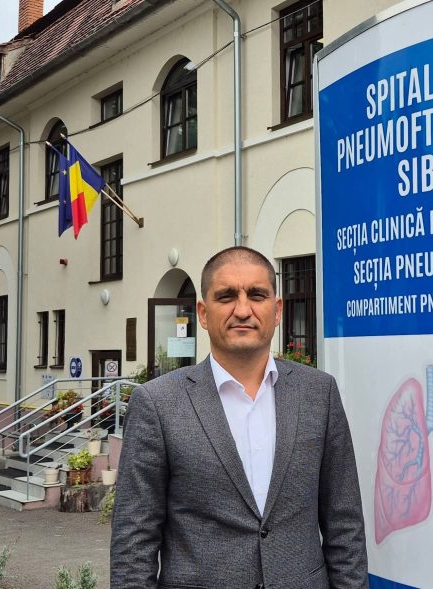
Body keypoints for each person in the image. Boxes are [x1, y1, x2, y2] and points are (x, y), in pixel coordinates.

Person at [110, 246, 368, 589]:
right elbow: (133, 541)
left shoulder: (319, 394)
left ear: (277, 310)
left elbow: (344, 524)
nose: (243, 310)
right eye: (227, 296)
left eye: (257, 295)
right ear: (203, 313)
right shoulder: (157, 404)